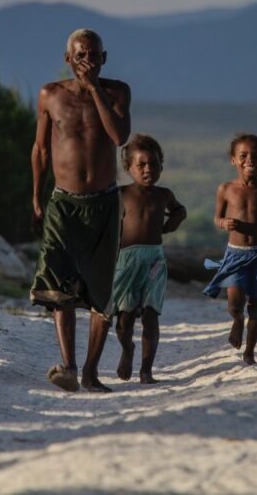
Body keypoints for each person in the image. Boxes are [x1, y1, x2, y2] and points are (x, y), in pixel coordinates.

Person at [30, 28, 131, 393]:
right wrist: (36, 197)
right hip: (63, 203)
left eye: (92, 55)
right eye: (79, 55)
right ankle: (69, 366)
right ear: (67, 58)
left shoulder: (117, 92)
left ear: (104, 58)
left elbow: (119, 137)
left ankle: (91, 371)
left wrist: (94, 89)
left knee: (101, 289)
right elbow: (40, 149)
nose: (85, 61)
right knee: (59, 284)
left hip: (104, 202)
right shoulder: (50, 95)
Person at [111, 134, 186, 384]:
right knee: (124, 319)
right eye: (141, 165)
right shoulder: (120, 194)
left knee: (151, 314)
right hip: (126, 260)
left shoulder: (164, 194)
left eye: (153, 164)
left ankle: (146, 370)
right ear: (128, 168)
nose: (148, 169)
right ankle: (127, 350)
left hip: (154, 259)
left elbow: (180, 210)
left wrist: (169, 225)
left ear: (161, 166)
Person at [203, 133, 257, 365]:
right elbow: (217, 218)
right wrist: (224, 223)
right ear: (233, 160)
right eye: (243, 155)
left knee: (256, 305)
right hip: (236, 253)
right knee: (235, 304)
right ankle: (237, 320)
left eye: (256, 155)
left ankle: (250, 352)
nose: (250, 160)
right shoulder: (225, 189)